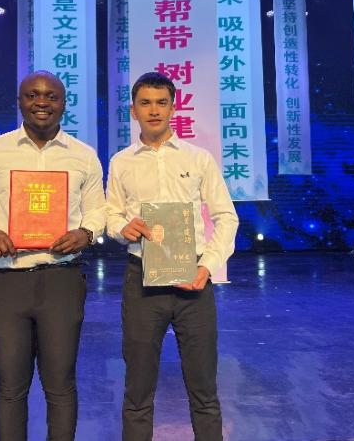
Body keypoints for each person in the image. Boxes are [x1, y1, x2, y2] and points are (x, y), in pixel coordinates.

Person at [0, 71, 106, 441]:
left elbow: (98, 211)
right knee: (10, 386)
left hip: (61, 280)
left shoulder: (84, 156)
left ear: (64, 104)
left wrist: (85, 233)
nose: (42, 102)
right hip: (7, 282)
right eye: (32, 95)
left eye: (51, 96)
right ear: (19, 101)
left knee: (61, 385)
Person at [106, 72, 239, 441]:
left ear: (173, 108)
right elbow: (110, 214)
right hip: (142, 280)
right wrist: (121, 228)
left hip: (193, 281)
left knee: (204, 389)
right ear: (133, 111)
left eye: (161, 103)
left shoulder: (199, 158)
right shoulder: (121, 162)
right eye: (145, 103)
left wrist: (207, 266)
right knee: (137, 389)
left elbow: (226, 216)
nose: (154, 110)